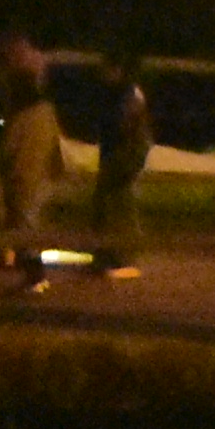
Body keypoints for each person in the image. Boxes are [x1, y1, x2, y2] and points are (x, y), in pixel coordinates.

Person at [0, 27, 64, 284]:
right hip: (36, 172)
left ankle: (32, 272)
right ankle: (26, 266)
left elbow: (8, 149)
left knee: (23, 219)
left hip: (25, 175)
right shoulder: (43, 112)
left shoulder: (22, 117)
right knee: (27, 218)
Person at [87, 55, 153, 276]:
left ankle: (121, 256)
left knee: (119, 204)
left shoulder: (127, 95)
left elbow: (126, 129)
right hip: (118, 155)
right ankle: (108, 255)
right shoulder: (118, 93)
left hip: (123, 156)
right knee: (110, 204)